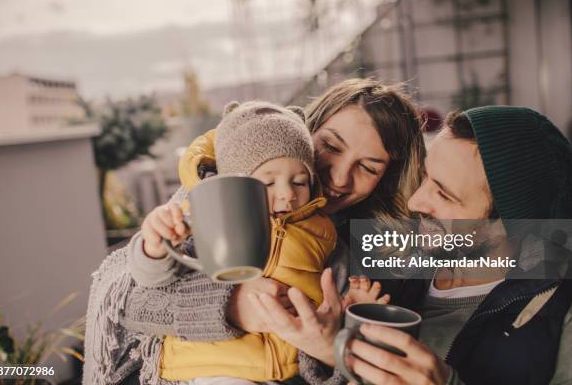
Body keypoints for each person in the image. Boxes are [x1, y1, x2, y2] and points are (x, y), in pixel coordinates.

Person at [82, 78, 426, 384]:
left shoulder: (380, 247)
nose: (339, 177)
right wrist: (230, 305)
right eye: (331, 147)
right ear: (306, 132)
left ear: (389, 177)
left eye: (368, 167)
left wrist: (330, 348)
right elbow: (128, 302)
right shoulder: (223, 189)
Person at [249, 106, 572, 385]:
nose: (416, 201)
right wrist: (329, 352)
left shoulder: (570, 322)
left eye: (444, 194)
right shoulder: (387, 262)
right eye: (425, 179)